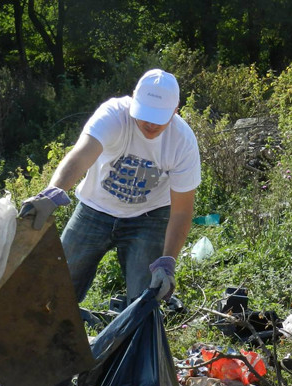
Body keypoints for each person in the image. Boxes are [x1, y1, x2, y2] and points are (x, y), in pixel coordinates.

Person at [19, 68, 201, 304]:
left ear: (175, 111)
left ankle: (131, 336)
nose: (150, 123)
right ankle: (50, 337)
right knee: (55, 285)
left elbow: (181, 211)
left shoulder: (183, 142)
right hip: (94, 210)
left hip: (149, 218)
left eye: (159, 117)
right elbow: (81, 155)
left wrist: (168, 261)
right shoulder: (114, 115)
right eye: (145, 113)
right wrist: (53, 192)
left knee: (144, 300)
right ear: (134, 100)